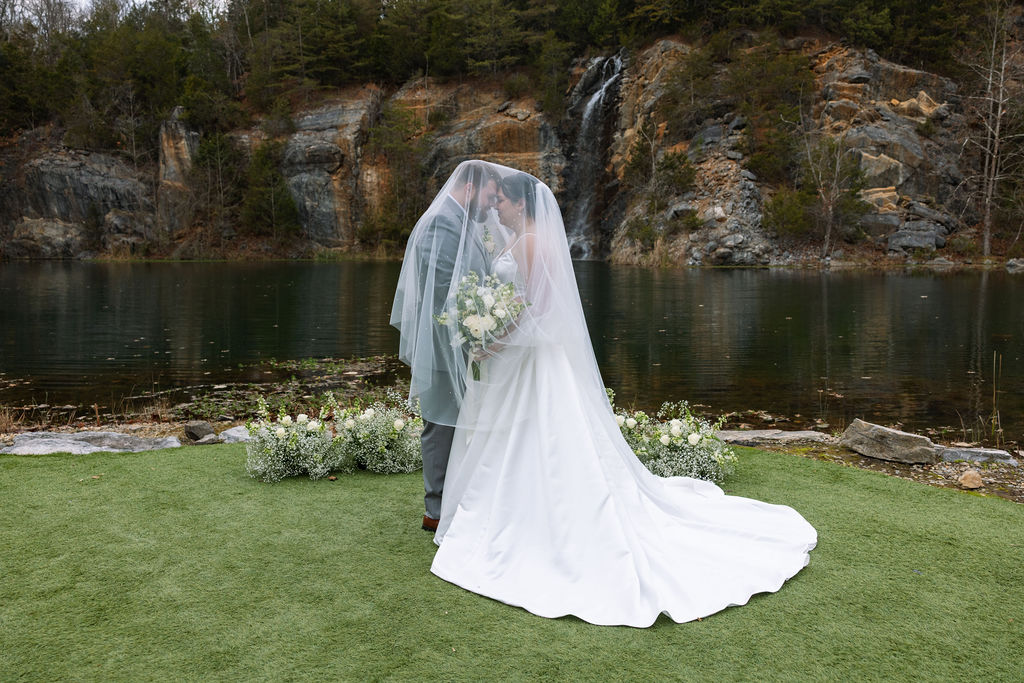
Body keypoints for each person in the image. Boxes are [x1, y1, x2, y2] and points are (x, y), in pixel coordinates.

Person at [400, 161, 817, 627]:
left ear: (521, 203)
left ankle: (534, 518)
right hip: (521, 361)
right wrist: (490, 328)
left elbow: (534, 308)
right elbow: (514, 299)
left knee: (540, 435)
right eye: (492, 199)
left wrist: (494, 337)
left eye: (501, 201)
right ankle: (506, 508)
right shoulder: (514, 240)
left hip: (530, 360)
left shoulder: (532, 244)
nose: (495, 207)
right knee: (526, 437)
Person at [391, 161, 500, 532]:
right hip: (443, 345)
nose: (491, 204)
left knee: (457, 424)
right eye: (488, 195)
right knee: (439, 424)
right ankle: (434, 511)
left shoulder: (464, 223)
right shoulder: (442, 222)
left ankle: (455, 499)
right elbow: (442, 291)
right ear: (470, 187)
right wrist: (477, 328)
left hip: (462, 341)